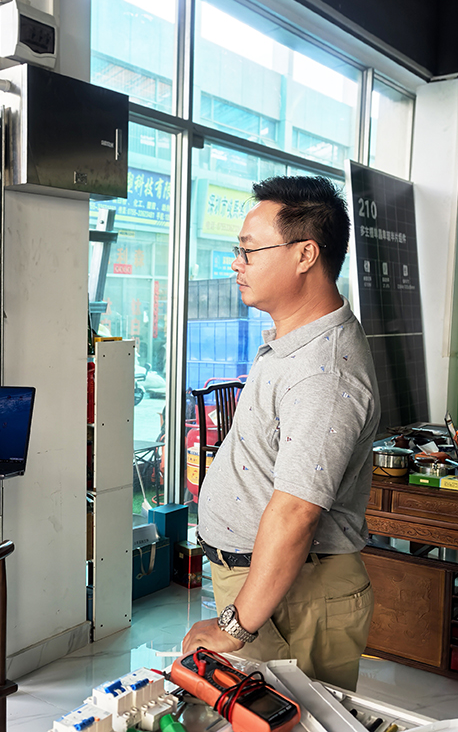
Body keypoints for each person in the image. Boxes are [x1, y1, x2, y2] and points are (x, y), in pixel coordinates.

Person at [181, 175, 380, 691]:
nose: (236, 263)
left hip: (296, 595)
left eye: (248, 250)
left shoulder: (323, 372)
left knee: (295, 719)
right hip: (271, 585)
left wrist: (234, 626)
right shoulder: (297, 343)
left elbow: (296, 512)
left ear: (305, 254)